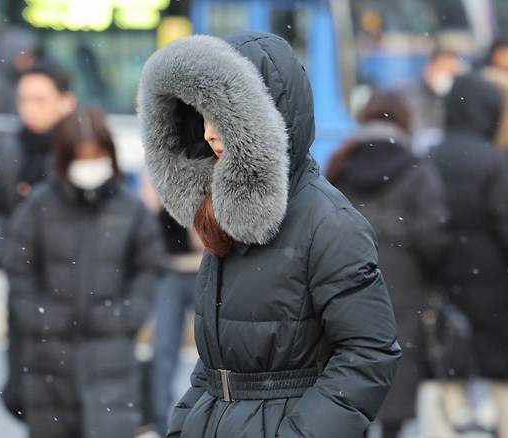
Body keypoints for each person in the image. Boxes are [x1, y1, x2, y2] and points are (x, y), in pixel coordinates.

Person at [138, 32, 400, 438]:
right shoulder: (224, 214)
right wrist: (185, 424)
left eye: (224, 117)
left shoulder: (329, 223)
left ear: (266, 116)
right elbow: (213, 365)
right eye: (202, 117)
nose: (209, 133)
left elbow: (369, 354)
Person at [2, 108, 163, 438]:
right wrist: (38, 317)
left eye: (97, 155)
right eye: (81, 156)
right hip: (48, 357)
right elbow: (19, 268)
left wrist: (127, 316)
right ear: (65, 157)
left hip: (111, 355)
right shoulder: (38, 206)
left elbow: (148, 268)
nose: (90, 164)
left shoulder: (130, 209)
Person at [327, 90, 450, 438]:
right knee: (397, 371)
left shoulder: (340, 164)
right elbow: (433, 234)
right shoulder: (416, 167)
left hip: (347, 283)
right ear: (405, 121)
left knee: (352, 372)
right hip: (404, 287)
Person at [428, 73, 508, 438]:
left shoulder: (428, 156)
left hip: (443, 287)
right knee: (505, 383)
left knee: (446, 377)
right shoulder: (493, 163)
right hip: (496, 290)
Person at [0, 62, 76, 419]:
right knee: (22, 394)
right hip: (24, 288)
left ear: (65, 102)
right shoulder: (12, 150)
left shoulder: (78, 151)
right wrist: (2, 251)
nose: (30, 108)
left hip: (70, 289)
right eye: (24, 99)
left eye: (40, 99)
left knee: (66, 396)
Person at [151, 208, 202, 435]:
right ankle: (163, 426)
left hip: (204, 266)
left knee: (215, 352)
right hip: (170, 267)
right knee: (162, 352)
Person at [407, 48, 464, 154]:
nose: (446, 77)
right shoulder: (410, 93)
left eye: (451, 73)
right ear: (429, 69)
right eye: (441, 70)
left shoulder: (461, 98)